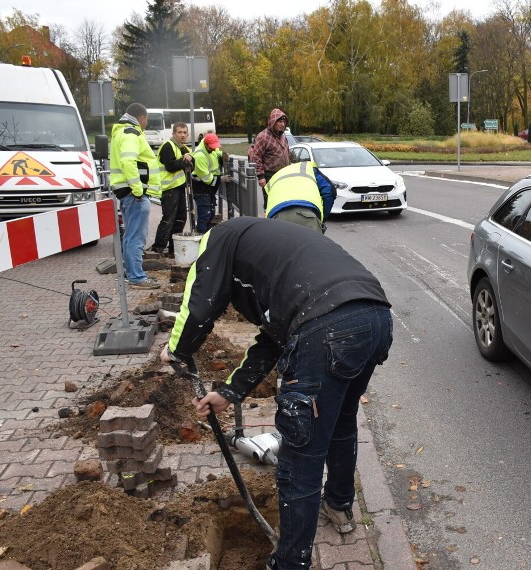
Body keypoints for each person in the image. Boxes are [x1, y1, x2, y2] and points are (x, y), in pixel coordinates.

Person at [160, 216, 392, 570]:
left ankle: (290, 563)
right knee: (341, 421)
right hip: (375, 319)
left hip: (327, 327)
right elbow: (273, 339)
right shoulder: (275, 250)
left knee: (302, 454)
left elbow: (199, 304)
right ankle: (339, 505)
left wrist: (176, 350)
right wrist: (229, 393)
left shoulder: (219, 238)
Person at [109, 102, 161, 289]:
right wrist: (138, 189)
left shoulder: (121, 132)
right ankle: (137, 277)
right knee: (137, 238)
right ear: (142, 117)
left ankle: (131, 274)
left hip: (126, 192)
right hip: (134, 194)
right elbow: (128, 161)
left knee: (130, 237)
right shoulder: (131, 133)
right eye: (146, 119)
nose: (146, 123)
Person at [149, 122, 192, 256]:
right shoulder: (168, 146)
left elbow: (192, 165)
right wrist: (184, 161)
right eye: (180, 132)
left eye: (185, 132)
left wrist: (189, 160)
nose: (183, 135)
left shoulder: (184, 148)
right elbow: (170, 166)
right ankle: (158, 247)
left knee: (181, 218)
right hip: (169, 189)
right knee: (169, 219)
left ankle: (174, 248)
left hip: (179, 188)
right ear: (173, 133)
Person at [264, 161, 336, 233]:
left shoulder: (275, 177)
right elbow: (329, 191)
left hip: (276, 217)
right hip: (306, 215)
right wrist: (322, 219)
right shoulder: (308, 169)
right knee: (310, 243)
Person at [250, 108, 291, 210]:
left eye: (284, 122)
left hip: (283, 175)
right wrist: (261, 176)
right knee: (270, 203)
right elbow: (256, 157)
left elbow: (287, 154)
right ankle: (268, 223)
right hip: (269, 175)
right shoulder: (263, 137)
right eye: (280, 121)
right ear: (273, 122)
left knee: (282, 203)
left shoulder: (283, 136)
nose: (283, 124)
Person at [191, 133, 229, 233]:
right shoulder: (199, 156)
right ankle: (201, 237)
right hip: (201, 188)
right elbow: (207, 179)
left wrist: (223, 156)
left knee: (210, 214)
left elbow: (217, 153)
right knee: (205, 216)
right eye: (211, 147)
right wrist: (221, 179)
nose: (214, 149)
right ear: (205, 144)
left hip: (208, 189)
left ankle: (206, 236)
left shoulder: (211, 148)